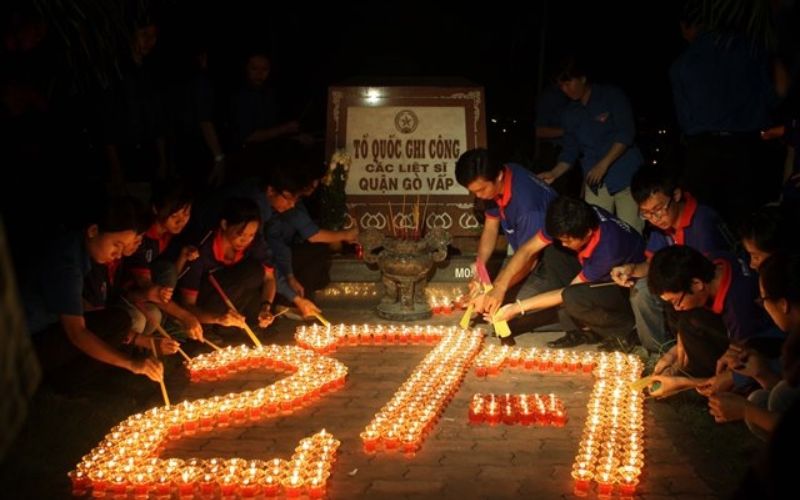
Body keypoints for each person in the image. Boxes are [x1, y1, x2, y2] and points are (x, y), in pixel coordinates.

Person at [21, 196, 169, 383]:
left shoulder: (77, 250)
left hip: (41, 335)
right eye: (116, 244)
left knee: (116, 321)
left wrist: (143, 341)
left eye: (124, 247)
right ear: (93, 230)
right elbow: (77, 332)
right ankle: (64, 383)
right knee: (117, 320)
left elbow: (81, 309)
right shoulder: (66, 263)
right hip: (26, 348)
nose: (119, 254)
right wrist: (132, 364)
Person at [455, 149, 581, 344]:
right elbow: (490, 229)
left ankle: (571, 317)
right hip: (528, 255)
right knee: (493, 302)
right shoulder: (504, 175)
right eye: (473, 192)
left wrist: (496, 290)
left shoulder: (528, 206)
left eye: (481, 190)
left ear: (498, 176)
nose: (479, 196)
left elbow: (529, 259)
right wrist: (479, 273)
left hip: (556, 260)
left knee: (503, 312)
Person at [491, 197, 645, 351]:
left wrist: (516, 308)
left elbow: (566, 293)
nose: (563, 243)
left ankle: (624, 332)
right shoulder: (568, 217)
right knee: (553, 250)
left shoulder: (608, 249)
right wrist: (500, 287)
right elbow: (528, 249)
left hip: (625, 288)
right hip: (595, 269)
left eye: (567, 240)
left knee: (573, 297)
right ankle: (577, 330)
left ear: (587, 234)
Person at [610, 166, 732, 352]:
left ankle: (689, 350)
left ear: (675, 195)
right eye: (646, 213)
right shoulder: (661, 227)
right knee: (641, 289)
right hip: (679, 286)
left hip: (701, 290)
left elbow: (709, 277)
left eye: (658, 209)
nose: (654, 218)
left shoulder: (702, 222)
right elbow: (652, 263)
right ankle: (659, 351)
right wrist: (632, 269)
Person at [537, 57, 645, 233]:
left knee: (631, 231)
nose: (565, 89)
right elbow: (570, 151)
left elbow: (626, 134)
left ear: (582, 78)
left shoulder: (611, 96)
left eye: (568, 83)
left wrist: (603, 164)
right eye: (561, 86)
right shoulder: (569, 114)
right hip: (595, 184)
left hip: (627, 177)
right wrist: (554, 173)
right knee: (595, 232)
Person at [647, 246, 775, 388]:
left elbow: (743, 366)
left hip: (767, 344)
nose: (677, 308)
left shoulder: (738, 312)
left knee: (690, 322)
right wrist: (672, 354)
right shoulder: (714, 260)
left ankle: (702, 374)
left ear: (697, 284)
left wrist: (682, 383)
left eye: (676, 301)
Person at [177, 197, 277, 333]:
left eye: (251, 235)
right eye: (240, 234)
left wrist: (266, 308)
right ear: (224, 224)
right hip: (205, 305)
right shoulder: (200, 250)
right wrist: (218, 318)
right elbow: (187, 305)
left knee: (255, 272)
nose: (245, 240)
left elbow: (269, 278)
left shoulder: (254, 243)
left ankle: (232, 328)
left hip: (233, 300)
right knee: (249, 272)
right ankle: (209, 330)